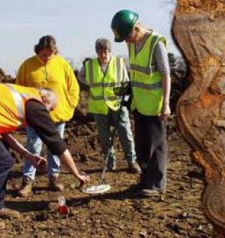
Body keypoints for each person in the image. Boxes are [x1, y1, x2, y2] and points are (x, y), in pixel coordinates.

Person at [0, 83, 90, 230]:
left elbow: (3, 135)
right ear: (44, 99)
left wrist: (28, 155)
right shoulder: (34, 103)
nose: (48, 113)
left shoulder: (21, 98)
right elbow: (57, 144)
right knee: (2, 161)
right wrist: (76, 174)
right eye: (50, 108)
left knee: (1, 156)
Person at [111, 9, 171, 197]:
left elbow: (165, 74)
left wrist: (166, 103)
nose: (127, 41)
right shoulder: (132, 45)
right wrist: (128, 87)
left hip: (154, 104)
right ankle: (145, 180)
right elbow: (137, 71)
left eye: (128, 36)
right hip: (138, 102)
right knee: (142, 146)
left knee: (156, 146)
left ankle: (156, 185)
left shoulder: (155, 43)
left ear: (136, 28)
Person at [15, 35, 79, 197]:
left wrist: (69, 105)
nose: (47, 57)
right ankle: (28, 180)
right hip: (34, 116)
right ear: (38, 51)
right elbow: (18, 90)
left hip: (58, 115)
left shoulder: (62, 64)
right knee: (32, 146)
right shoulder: (27, 65)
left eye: (50, 54)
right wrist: (23, 111)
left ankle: (54, 178)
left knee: (55, 147)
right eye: (43, 54)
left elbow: (73, 87)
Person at [77, 38, 141, 174]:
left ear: (110, 51)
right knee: (105, 137)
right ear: (96, 52)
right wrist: (90, 84)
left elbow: (125, 82)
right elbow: (81, 77)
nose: (103, 55)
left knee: (126, 134)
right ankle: (109, 163)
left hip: (117, 105)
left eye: (105, 51)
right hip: (99, 107)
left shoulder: (119, 63)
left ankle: (132, 161)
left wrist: (125, 99)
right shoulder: (89, 65)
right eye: (100, 52)